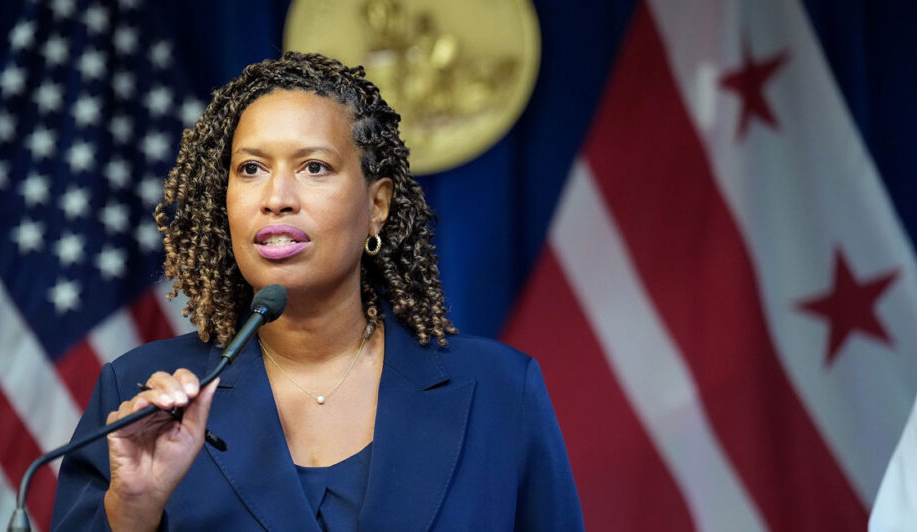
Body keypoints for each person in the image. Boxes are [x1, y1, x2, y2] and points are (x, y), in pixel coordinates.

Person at [51, 51, 584, 531]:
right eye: (252, 168)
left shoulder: (499, 390)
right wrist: (134, 511)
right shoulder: (140, 394)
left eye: (314, 167)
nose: (277, 197)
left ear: (377, 205)